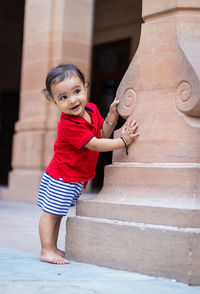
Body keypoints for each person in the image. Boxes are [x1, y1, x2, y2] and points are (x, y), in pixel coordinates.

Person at [37, 63, 139, 264]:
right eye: (63, 97)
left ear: (85, 86)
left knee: (58, 214)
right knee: (51, 214)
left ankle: (52, 247)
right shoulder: (68, 124)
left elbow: (101, 133)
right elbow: (94, 144)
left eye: (76, 91)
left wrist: (111, 116)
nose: (72, 100)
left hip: (74, 177)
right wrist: (123, 142)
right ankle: (46, 250)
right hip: (62, 176)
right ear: (53, 101)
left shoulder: (91, 110)